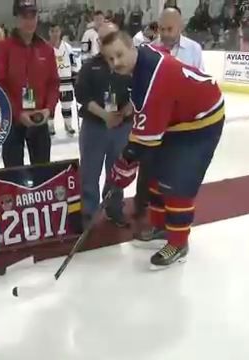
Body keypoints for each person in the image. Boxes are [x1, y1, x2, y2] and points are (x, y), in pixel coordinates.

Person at [102, 31, 224, 269]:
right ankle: (161, 227)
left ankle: (178, 242)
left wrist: (121, 170)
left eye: (119, 54)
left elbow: (141, 143)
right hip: (176, 120)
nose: (116, 63)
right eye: (110, 59)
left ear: (131, 46)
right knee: (157, 175)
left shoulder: (154, 78)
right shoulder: (143, 60)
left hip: (202, 121)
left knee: (177, 183)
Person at [132, 7, 205, 237]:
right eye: (161, 28)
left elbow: (200, 84)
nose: (165, 33)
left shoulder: (193, 49)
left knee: (176, 182)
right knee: (153, 178)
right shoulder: (150, 50)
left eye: (170, 29)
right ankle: (156, 223)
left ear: (180, 26)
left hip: (184, 130)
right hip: (158, 127)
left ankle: (176, 233)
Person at [74, 22, 132, 229]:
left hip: (122, 128)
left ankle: (114, 208)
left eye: (112, 38)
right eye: (103, 39)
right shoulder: (90, 66)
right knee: (90, 171)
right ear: (98, 42)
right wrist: (104, 115)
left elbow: (139, 92)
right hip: (95, 127)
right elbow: (82, 95)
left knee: (117, 171)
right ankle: (88, 212)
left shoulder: (129, 64)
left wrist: (126, 110)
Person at [0, 0, 60, 167]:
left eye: (33, 16)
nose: (29, 21)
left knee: (43, 172)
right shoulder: (3, 48)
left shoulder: (46, 49)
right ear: (16, 18)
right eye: (24, 17)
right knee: (13, 174)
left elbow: (53, 84)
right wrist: (16, 113)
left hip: (39, 120)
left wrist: (48, 109)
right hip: (13, 122)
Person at [48, 22, 80, 136]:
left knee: (67, 104)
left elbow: (73, 63)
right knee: (51, 105)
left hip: (66, 80)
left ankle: (68, 125)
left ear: (60, 32)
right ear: (49, 33)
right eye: (52, 32)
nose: (55, 34)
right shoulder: (46, 48)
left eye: (57, 31)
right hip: (51, 83)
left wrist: (75, 76)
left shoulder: (67, 47)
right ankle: (50, 126)